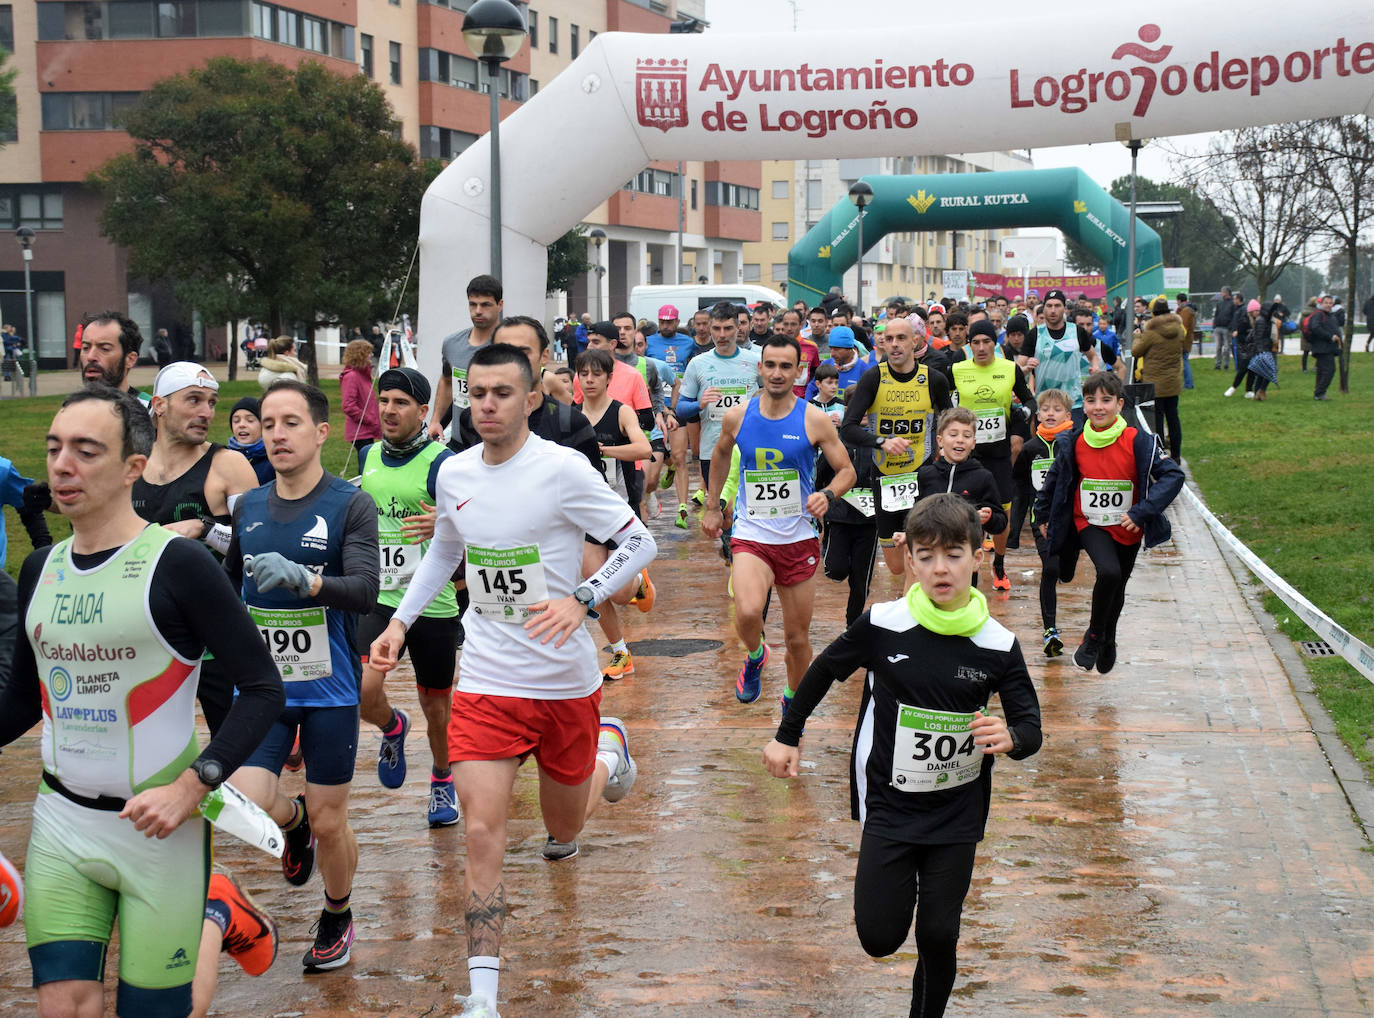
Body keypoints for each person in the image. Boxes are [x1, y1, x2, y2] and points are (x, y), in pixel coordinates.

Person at [368, 344, 656, 1017]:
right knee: (481, 832)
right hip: (487, 678)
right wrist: (400, 623)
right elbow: (444, 551)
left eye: (503, 393)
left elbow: (638, 541)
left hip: (562, 682)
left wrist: (583, 598)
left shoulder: (562, 469)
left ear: (530, 400)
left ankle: (608, 750)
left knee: (562, 828)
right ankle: (483, 997)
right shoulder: (454, 471)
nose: (487, 404)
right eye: (478, 393)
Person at [1, 386, 284, 1018]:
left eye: (86, 451)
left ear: (133, 466)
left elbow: (264, 689)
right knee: (63, 1006)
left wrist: (194, 785)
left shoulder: (179, 565)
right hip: (62, 821)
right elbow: (20, 703)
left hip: (163, 830)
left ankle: (216, 912)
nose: (62, 466)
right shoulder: (40, 569)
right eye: (54, 448)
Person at [763, 493, 1042, 1018]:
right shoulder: (883, 623)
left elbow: (1030, 726)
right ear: (909, 560)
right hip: (890, 805)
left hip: (957, 813)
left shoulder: (998, 643)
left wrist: (1012, 737)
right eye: (927, 556)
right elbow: (823, 670)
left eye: (954, 555)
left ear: (977, 557)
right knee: (879, 937)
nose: (941, 568)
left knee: (938, 932)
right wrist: (787, 734)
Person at [225, 380, 380, 971]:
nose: (277, 434)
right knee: (247, 795)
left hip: (329, 689)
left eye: (290, 423)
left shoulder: (349, 504)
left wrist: (308, 581)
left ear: (320, 433)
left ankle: (337, 912)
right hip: (262, 688)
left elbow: (365, 591)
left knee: (331, 818)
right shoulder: (248, 506)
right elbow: (228, 586)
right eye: (268, 424)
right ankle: (293, 826)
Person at [701, 334, 855, 710]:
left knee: (797, 639)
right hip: (751, 533)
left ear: (799, 371)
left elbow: (847, 471)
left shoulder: (814, 419)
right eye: (770, 365)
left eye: (786, 366)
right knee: (747, 611)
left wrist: (827, 495)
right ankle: (756, 655)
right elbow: (720, 454)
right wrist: (712, 505)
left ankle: (792, 702)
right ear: (760, 367)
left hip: (798, 537)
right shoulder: (739, 416)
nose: (777, 373)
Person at [354, 367, 463, 828]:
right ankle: (392, 726)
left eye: (401, 403)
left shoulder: (444, 462)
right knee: (362, 690)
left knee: (437, 709)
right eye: (384, 400)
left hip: (433, 602)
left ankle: (442, 777)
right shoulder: (367, 455)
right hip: (380, 597)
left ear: (423, 411)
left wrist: (446, 519)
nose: (389, 410)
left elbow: (474, 521)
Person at [132, 362, 263, 733]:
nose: (206, 412)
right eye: (193, 400)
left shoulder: (228, 466)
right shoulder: (131, 467)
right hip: (148, 632)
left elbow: (259, 547)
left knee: (235, 747)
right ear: (160, 405)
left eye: (211, 402)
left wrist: (204, 529)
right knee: (148, 742)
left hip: (216, 635)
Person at [1033, 371, 1185, 673]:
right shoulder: (1074, 440)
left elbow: (1173, 476)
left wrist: (1142, 512)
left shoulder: (1139, 441)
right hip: (1089, 522)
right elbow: (1054, 479)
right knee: (1109, 571)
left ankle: (1108, 638)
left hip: (1128, 525)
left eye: (1106, 400)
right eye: (1091, 401)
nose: (1098, 407)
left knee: (1118, 585)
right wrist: (1042, 513)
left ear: (1119, 404)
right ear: (1083, 404)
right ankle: (1093, 636)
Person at [839, 316, 953, 585]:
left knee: (921, 550)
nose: (894, 344)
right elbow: (848, 428)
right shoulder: (873, 378)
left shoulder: (933, 379)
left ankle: (916, 602)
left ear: (915, 341)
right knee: (896, 566)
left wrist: (945, 448)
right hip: (885, 475)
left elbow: (950, 420)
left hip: (922, 473)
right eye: (888, 339)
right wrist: (881, 442)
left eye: (901, 338)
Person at [951, 321, 1036, 590]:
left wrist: (1025, 413)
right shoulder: (958, 369)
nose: (981, 347)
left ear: (994, 343)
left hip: (999, 453)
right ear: (969, 345)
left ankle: (999, 561)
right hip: (967, 453)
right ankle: (968, 569)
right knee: (967, 513)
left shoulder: (1009, 368)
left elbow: (1029, 399)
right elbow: (942, 400)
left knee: (1001, 514)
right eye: (975, 342)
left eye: (986, 342)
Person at [1012, 389, 1077, 656]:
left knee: (1065, 572)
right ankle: (1050, 631)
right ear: (1037, 415)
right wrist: (1015, 529)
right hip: (1042, 522)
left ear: (1068, 415)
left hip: (1071, 522)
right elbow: (1020, 487)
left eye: (1057, 409)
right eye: (1046, 409)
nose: (1050, 414)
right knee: (1050, 569)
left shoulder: (1075, 444)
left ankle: (1065, 569)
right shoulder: (1030, 449)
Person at [914, 408, 1008, 589]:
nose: (960, 440)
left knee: (962, 603)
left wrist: (987, 518)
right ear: (940, 440)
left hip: (965, 561)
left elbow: (1001, 522)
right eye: (953, 434)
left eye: (967, 436)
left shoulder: (983, 477)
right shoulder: (925, 475)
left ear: (973, 443)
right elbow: (913, 515)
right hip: (930, 560)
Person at [676, 301, 762, 495]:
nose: (722, 335)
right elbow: (681, 408)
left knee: (747, 506)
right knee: (721, 508)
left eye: (728, 328)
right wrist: (699, 404)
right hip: (713, 450)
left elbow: (773, 396)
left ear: (738, 328)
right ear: (709, 328)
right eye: (716, 328)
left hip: (749, 448)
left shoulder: (755, 360)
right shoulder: (698, 364)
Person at [431, 274, 504, 444]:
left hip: (497, 444)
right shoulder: (451, 344)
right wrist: (435, 420)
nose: (478, 310)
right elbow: (447, 381)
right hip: (459, 443)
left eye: (485, 304)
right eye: (473, 304)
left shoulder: (510, 346)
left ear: (500, 305)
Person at [1028, 289, 1116, 424]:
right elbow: (1020, 367)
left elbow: (1093, 356)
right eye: (1049, 306)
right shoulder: (1034, 334)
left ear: (1064, 308)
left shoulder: (1077, 332)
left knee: (1073, 437)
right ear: (1043, 308)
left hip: (1073, 403)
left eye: (1057, 306)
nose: (1053, 310)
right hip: (1045, 404)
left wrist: (1095, 367)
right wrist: (1027, 368)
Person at [1131, 297, 1189, 459]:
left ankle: (1161, 455)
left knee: (1157, 421)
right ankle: (1176, 455)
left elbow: (1136, 352)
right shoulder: (1178, 330)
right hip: (1173, 382)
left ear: (1154, 314)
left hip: (1155, 384)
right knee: (1173, 418)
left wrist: (1137, 337)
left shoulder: (1151, 333)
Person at [76, 310, 148, 403]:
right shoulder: (70, 409)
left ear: (130, 359)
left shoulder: (150, 410)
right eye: (86, 348)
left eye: (104, 349)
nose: (90, 357)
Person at [339, 338, 382, 456]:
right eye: (368, 352)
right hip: (360, 431)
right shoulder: (351, 376)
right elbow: (348, 406)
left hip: (367, 429)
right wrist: (369, 419)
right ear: (360, 355)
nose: (371, 355)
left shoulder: (363, 376)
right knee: (365, 462)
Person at [227, 396, 275, 485]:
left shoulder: (273, 460)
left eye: (250, 420)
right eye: (236, 421)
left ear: (263, 425)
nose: (241, 425)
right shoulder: (224, 458)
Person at [1307, 294, 1342, 401]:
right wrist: (1329, 336)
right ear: (1321, 303)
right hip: (1322, 348)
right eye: (1326, 303)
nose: (1328, 305)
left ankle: (1318, 393)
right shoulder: (1319, 314)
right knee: (1330, 370)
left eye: (1330, 303)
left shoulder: (1330, 315)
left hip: (1328, 347)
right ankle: (1320, 392)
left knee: (1322, 371)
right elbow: (1315, 327)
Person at [1225, 299, 1261, 398]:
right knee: (1243, 370)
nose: (1257, 312)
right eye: (1256, 310)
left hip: (1255, 349)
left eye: (1258, 310)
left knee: (1253, 370)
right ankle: (1233, 387)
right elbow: (1240, 336)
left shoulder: (1258, 321)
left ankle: (1248, 390)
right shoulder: (1244, 321)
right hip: (1245, 349)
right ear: (1251, 311)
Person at [1212, 287, 1235, 370]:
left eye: (1222, 292)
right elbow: (1216, 314)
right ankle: (1217, 364)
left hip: (1226, 328)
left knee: (1226, 347)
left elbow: (1233, 316)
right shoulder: (1220, 302)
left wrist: (1230, 327)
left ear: (1227, 293)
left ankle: (1226, 364)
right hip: (1218, 327)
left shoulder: (1232, 303)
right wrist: (1214, 325)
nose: (1221, 293)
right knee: (1218, 347)